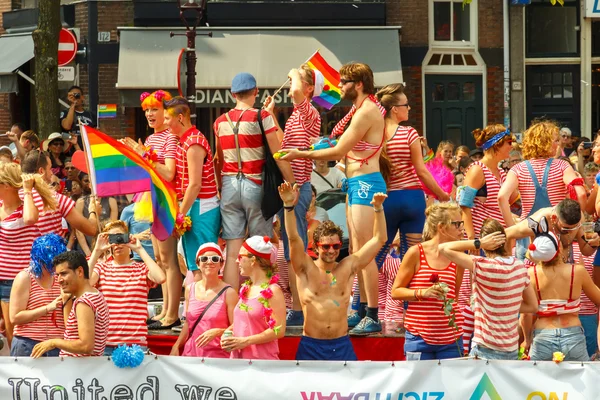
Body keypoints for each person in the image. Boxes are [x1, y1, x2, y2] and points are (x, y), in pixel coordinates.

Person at [281, 62, 387, 334]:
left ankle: (373, 314)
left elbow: (338, 149)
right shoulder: (359, 109)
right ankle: (361, 308)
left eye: (344, 82)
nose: (338, 86)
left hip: (365, 183)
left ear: (359, 84)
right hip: (355, 181)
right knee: (355, 252)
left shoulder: (367, 111)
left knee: (365, 252)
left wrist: (300, 154)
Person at [278, 182, 387, 359]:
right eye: (326, 246)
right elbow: (293, 238)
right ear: (316, 246)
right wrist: (288, 206)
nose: (331, 250)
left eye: (336, 245)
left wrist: (378, 209)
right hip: (311, 346)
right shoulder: (305, 268)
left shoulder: (348, 266)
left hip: (341, 345)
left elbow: (380, 239)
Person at [214, 73, 294, 289]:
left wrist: (221, 188)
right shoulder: (262, 117)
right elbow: (277, 154)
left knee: (232, 251)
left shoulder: (220, 122)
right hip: (255, 184)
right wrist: (292, 181)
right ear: (256, 91)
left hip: (229, 185)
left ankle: (231, 305)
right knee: (260, 246)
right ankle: (262, 299)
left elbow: (217, 159)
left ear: (232, 94)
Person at [264, 65, 322, 327]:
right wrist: (272, 117)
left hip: (297, 188)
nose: (289, 88)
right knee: (289, 249)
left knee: (294, 249)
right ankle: (297, 307)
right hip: (290, 188)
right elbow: (283, 143)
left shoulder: (309, 112)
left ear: (309, 88)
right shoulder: (297, 117)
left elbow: (297, 89)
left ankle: (299, 309)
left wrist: (295, 71)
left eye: (296, 84)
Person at [121, 90, 181, 330]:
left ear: (165, 112)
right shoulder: (151, 138)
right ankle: (165, 310)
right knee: (159, 258)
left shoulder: (170, 138)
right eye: (146, 110)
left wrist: (142, 153)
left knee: (168, 259)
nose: (149, 114)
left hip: (165, 200)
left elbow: (168, 173)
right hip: (151, 198)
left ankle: (172, 313)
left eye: (154, 109)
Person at [374, 84, 449, 271]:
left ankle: (362, 301)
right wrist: (442, 194)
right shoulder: (409, 133)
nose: (409, 108)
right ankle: (408, 301)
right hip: (412, 199)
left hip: (386, 199)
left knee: (374, 260)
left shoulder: (375, 135)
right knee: (411, 262)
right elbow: (421, 171)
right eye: (406, 105)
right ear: (394, 109)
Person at [439, 219, 537, 360]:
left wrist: (478, 243)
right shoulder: (520, 267)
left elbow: (443, 248)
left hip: (484, 349)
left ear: (486, 244)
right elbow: (532, 306)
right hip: (511, 349)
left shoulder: (481, 265)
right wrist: (507, 305)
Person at [498, 121, 586, 259]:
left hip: (527, 236)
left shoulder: (518, 169)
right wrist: (574, 225)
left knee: (527, 278)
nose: (558, 144)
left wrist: (513, 229)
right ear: (544, 143)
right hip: (556, 236)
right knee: (560, 278)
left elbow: (502, 197)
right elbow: (580, 193)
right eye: (555, 140)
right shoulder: (562, 166)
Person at [391, 203, 465, 360]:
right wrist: (422, 293)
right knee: (419, 385)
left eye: (462, 223)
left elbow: (454, 297)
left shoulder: (459, 255)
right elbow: (396, 291)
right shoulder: (416, 253)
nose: (461, 229)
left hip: (451, 338)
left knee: (452, 385)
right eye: (457, 224)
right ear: (441, 227)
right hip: (418, 337)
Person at [523, 218, 600, 361]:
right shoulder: (577, 272)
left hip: (542, 335)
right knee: (582, 379)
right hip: (573, 335)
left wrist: (527, 339)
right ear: (557, 249)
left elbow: (526, 315)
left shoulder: (530, 274)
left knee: (537, 381)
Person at [87, 221, 165, 354]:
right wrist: (97, 250)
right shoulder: (102, 268)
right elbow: (84, 283)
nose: (117, 243)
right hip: (106, 344)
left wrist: (139, 249)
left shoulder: (141, 269)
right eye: (112, 239)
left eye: (121, 237)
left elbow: (160, 278)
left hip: (136, 345)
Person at [0, 163, 56, 346]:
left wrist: (27, 191)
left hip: (17, 278)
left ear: (7, 185)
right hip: (3, 276)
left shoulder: (25, 207)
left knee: (12, 332)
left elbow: (31, 219)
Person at [164, 97, 220, 276]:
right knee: (195, 264)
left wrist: (179, 215)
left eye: (167, 119)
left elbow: (195, 184)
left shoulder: (193, 142)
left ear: (180, 118)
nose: (165, 123)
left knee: (204, 264)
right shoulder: (185, 140)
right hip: (193, 205)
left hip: (201, 205)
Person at [31, 251, 109, 358]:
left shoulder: (84, 302)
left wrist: (53, 342)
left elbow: (86, 346)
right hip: (84, 369)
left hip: (77, 371)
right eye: (57, 275)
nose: (59, 280)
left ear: (80, 271)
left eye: (64, 274)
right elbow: (74, 332)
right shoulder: (95, 294)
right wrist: (66, 300)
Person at [220, 236, 286, 359]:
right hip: (240, 363)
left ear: (253, 260)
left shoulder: (273, 291)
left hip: (261, 364)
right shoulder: (245, 288)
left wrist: (245, 341)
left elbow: (279, 330)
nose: (236, 261)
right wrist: (227, 333)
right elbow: (242, 323)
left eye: (240, 257)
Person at [171, 243, 238, 357]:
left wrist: (217, 332)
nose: (209, 262)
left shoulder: (229, 293)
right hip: (191, 354)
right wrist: (176, 345)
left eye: (215, 259)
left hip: (218, 356)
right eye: (204, 258)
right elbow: (188, 324)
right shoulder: (190, 289)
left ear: (221, 264)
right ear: (198, 263)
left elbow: (236, 326)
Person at [9, 234, 68, 357]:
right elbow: (15, 317)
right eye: (49, 262)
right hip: (28, 343)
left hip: (57, 345)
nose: (53, 266)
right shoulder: (25, 277)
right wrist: (47, 308)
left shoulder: (61, 277)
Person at [20, 149, 99, 239]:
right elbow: (91, 229)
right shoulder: (56, 198)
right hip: (54, 253)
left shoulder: (11, 197)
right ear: (41, 171)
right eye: (49, 168)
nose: (51, 173)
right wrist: (93, 211)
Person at [59, 85, 96, 153]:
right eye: (73, 95)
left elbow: (96, 132)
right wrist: (73, 104)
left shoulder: (90, 114)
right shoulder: (65, 112)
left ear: (82, 97)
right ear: (68, 97)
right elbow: (67, 126)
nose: (75, 97)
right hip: (72, 151)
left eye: (77, 95)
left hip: (88, 150)